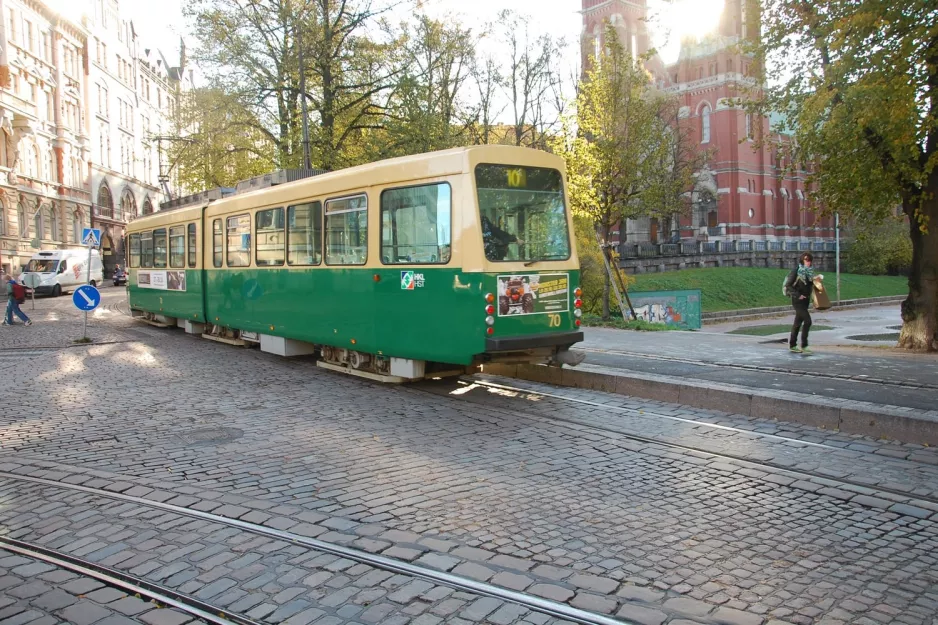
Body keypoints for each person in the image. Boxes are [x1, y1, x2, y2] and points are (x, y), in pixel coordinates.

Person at [784, 252, 814, 354]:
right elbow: (788, 285)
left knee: (797, 323)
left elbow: (809, 286)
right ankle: (804, 345)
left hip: (806, 300)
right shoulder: (796, 271)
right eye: (806, 260)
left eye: (809, 260)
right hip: (797, 301)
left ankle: (792, 345)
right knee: (808, 321)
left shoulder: (809, 272)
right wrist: (798, 295)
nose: (808, 262)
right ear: (802, 260)